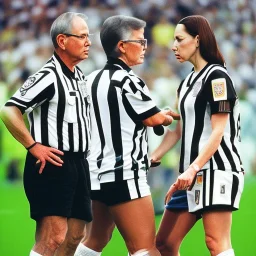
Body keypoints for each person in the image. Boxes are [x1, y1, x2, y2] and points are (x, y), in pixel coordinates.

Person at [74, 15, 175, 256]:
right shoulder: (129, 80)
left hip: (95, 176)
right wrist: (167, 116)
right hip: (125, 174)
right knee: (145, 248)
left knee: (94, 241)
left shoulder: (90, 80)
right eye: (140, 41)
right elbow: (153, 119)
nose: (144, 47)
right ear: (122, 46)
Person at [151, 15, 244, 256]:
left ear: (198, 40)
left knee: (216, 243)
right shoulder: (186, 82)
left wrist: (193, 168)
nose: (173, 46)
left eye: (179, 39)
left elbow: (219, 131)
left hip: (216, 170)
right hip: (188, 176)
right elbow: (179, 131)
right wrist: (153, 156)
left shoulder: (218, 78)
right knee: (163, 244)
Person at [0, 12, 92, 256]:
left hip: (79, 163)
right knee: (52, 238)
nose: (88, 42)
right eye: (82, 36)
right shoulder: (48, 75)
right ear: (62, 41)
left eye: (88, 36)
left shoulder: (79, 75)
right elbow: (9, 110)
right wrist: (33, 146)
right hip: (52, 161)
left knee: (74, 237)